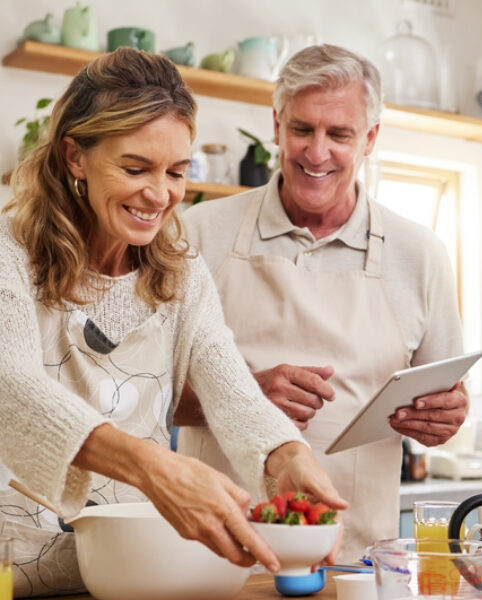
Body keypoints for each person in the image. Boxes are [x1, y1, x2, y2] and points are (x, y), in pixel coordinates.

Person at [0, 47, 346, 598]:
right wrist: (154, 468)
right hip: (17, 573)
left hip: (132, 572)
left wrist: (289, 457)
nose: (160, 194)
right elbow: (11, 389)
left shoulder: (179, 272)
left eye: (176, 172)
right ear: (74, 157)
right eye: (135, 168)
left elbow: (233, 393)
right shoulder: (9, 253)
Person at [179, 44, 468, 562]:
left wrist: (445, 417)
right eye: (302, 129)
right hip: (214, 559)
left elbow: (445, 409)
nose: (317, 153)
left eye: (339, 134)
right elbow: (143, 397)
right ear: (276, 125)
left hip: (358, 563)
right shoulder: (198, 234)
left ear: (370, 138)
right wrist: (241, 396)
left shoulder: (420, 255)